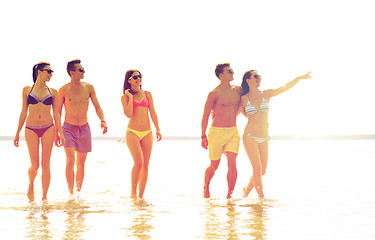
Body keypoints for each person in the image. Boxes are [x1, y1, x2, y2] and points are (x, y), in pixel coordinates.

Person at [240, 70, 311, 198]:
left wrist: (299, 78)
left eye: (259, 76)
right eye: (256, 76)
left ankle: (246, 192)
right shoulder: (243, 98)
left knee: (262, 170)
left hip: (264, 137)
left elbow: (284, 87)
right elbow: (235, 111)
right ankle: (261, 198)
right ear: (248, 80)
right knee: (256, 168)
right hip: (249, 136)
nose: (259, 78)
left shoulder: (266, 94)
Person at [14, 62, 65, 202]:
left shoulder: (53, 92)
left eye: (52, 72)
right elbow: (23, 112)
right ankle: (31, 184)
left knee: (46, 163)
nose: (51, 74)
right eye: (49, 71)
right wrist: (17, 133)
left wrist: (60, 132)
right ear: (39, 72)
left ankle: (44, 198)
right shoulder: (27, 90)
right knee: (35, 165)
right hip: (31, 129)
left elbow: (57, 114)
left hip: (48, 127)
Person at [57, 59, 108, 198]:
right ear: (71, 72)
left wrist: (102, 120)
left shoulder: (89, 87)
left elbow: (97, 106)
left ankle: (78, 193)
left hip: (84, 128)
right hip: (68, 128)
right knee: (70, 160)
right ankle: (71, 193)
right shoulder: (63, 90)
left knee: (81, 163)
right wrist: (58, 131)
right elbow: (58, 112)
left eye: (83, 69)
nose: (83, 71)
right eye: (81, 70)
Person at [201, 63, 242, 199]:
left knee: (232, 161)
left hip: (232, 131)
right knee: (214, 165)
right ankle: (206, 186)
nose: (233, 73)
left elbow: (246, 102)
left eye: (232, 70)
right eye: (229, 71)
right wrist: (203, 135)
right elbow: (205, 115)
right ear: (221, 75)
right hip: (216, 132)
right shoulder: (214, 93)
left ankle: (229, 196)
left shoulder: (238, 90)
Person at [121, 69, 162, 199]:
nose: (138, 79)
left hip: (147, 132)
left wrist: (158, 129)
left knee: (146, 164)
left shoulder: (147, 94)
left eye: (139, 77)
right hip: (132, 132)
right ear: (129, 80)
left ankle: (141, 196)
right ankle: (133, 193)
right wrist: (131, 98)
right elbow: (128, 114)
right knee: (138, 161)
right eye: (135, 77)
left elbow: (153, 112)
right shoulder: (125, 97)